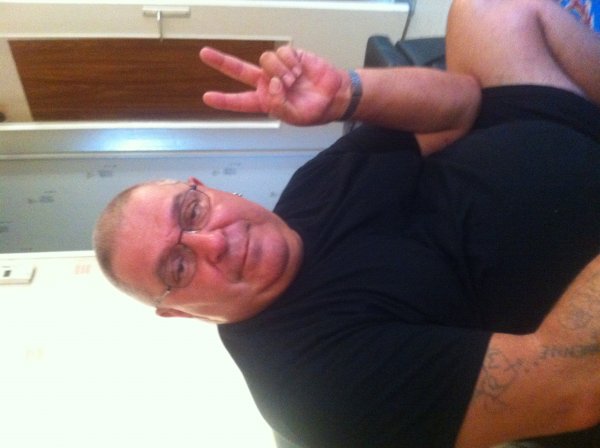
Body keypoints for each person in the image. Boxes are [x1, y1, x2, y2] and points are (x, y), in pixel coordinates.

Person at [93, 0, 600, 446]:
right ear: (180, 313)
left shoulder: (310, 191)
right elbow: (572, 384)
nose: (213, 242)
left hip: (548, 138)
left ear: (205, 189)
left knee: (484, 9)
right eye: (179, 267)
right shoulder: (312, 384)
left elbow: (459, 106)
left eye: (192, 212)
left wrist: (349, 95)